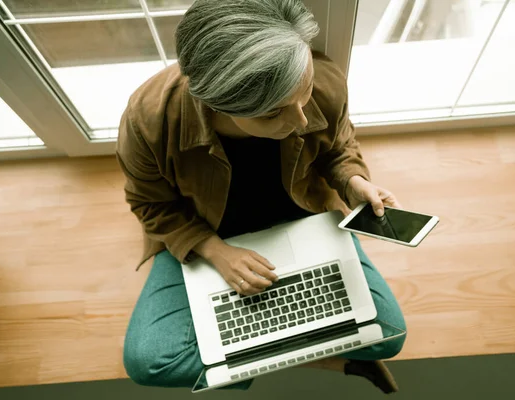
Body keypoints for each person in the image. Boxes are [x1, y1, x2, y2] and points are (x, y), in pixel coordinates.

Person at [117, 0, 406, 393]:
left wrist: (353, 181)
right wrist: (216, 252)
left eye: (302, 94)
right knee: (149, 361)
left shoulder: (322, 79)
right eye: (273, 114)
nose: (300, 122)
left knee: (390, 335)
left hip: (304, 216)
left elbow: (338, 147)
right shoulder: (148, 120)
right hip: (203, 230)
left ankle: (244, 355)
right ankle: (336, 362)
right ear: (215, 104)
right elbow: (151, 205)